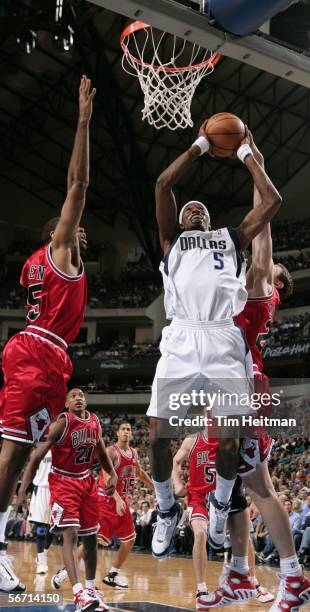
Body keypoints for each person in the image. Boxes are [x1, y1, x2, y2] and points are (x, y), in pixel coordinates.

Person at [147, 125, 283, 560]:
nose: (195, 212)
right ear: (178, 222)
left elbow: (272, 202)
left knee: (230, 439)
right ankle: (166, 509)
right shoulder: (171, 242)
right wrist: (202, 145)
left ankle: (222, 505)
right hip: (182, 335)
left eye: (201, 210)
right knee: (156, 436)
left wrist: (247, 154)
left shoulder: (230, 237)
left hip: (223, 336)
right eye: (189, 211)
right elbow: (163, 183)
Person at [198, 141, 310, 611]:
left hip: (246, 386)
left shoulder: (262, 283)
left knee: (260, 487)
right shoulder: (247, 288)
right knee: (246, 489)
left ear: (278, 281)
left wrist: (253, 161)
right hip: (233, 382)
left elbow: (264, 218)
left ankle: (293, 578)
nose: (268, 259)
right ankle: (240, 573)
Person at [0, 76, 95, 593]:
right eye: (69, 226)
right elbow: (78, 187)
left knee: (18, 454)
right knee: (12, 453)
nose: (80, 229)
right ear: (55, 234)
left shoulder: (38, 267)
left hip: (45, 355)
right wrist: (82, 121)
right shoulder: (59, 250)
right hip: (40, 350)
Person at [17, 388, 117, 612]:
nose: (78, 398)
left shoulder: (94, 422)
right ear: (66, 404)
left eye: (81, 395)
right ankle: (78, 593)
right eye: (73, 396)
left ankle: (91, 591)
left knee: (90, 539)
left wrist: (113, 473)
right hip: (63, 481)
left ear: (86, 400)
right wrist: (23, 489)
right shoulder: (63, 422)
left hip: (86, 481)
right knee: (70, 534)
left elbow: (101, 451)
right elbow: (35, 457)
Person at [172, 431, 273, 607]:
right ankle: (201, 589)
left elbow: (251, 467)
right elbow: (176, 461)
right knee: (201, 534)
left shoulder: (231, 438)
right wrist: (178, 483)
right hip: (199, 496)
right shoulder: (192, 440)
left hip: (228, 494)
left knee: (245, 537)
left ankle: (253, 582)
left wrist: (255, 499)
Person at [52, 421, 153, 590]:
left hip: (121, 502)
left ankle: (112, 575)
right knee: (93, 541)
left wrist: (155, 488)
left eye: (129, 429)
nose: (127, 432)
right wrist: (117, 498)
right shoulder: (111, 452)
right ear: (117, 433)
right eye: (123, 429)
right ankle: (64, 572)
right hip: (105, 501)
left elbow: (140, 473)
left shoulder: (134, 453)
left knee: (130, 539)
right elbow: (106, 478)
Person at [27, 450, 53, 575]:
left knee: (53, 527)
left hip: (58, 490)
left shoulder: (63, 447)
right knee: (41, 528)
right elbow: (30, 470)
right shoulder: (38, 451)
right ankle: (41, 561)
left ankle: (44, 555)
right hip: (41, 489)